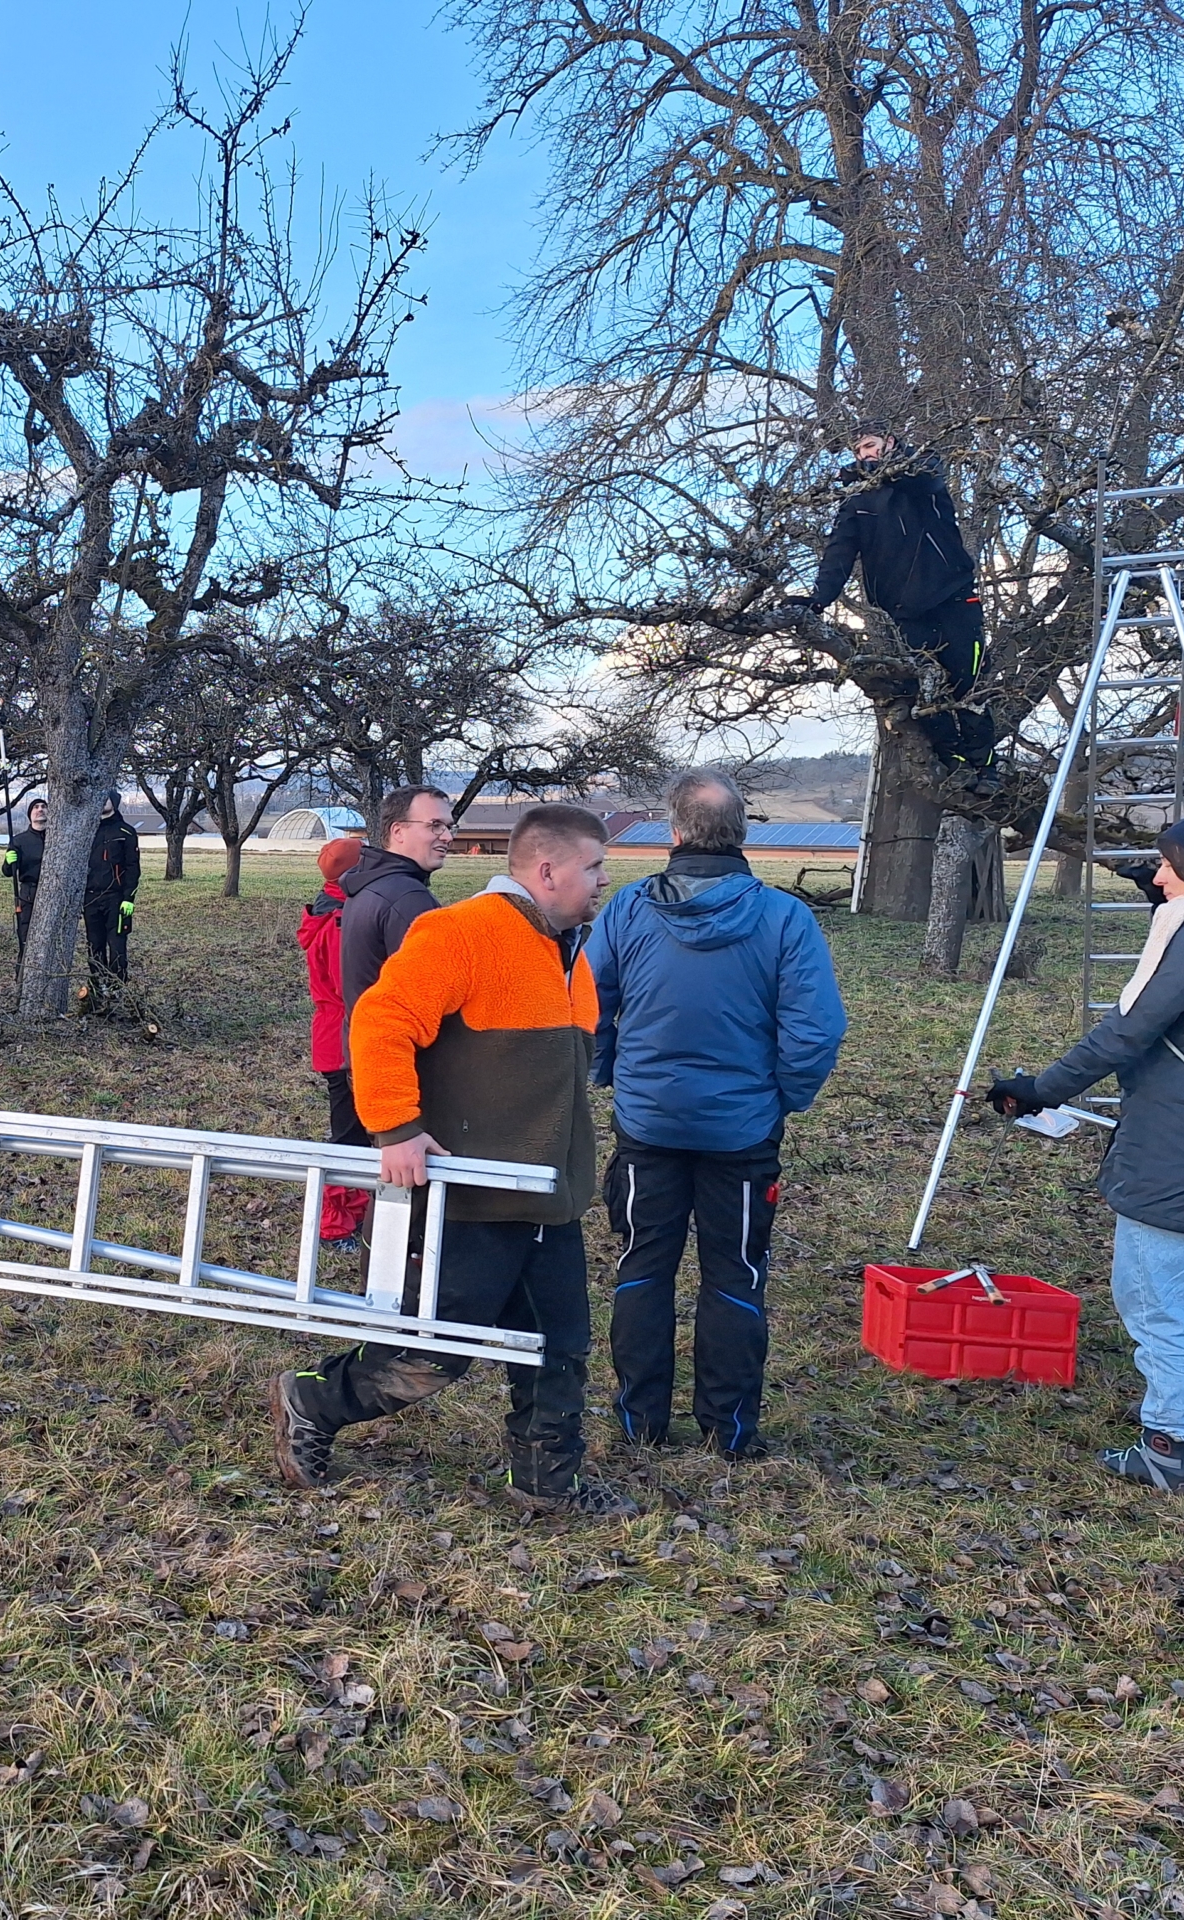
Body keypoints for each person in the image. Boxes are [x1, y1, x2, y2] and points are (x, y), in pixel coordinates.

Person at [269, 805, 637, 1516]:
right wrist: (397, 1128)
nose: (603, 881)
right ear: (548, 869)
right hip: (469, 1198)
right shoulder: (461, 932)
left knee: (560, 1347)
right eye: (594, 867)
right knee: (431, 1356)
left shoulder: (571, 952)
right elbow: (378, 1021)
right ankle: (312, 1400)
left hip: (546, 1199)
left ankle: (543, 1485)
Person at [989, 809, 1184, 1495]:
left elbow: (1126, 1034)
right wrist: (1169, 911)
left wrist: (1039, 1090)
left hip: (1175, 1150)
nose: (1158, 874)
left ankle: (1166, 1443)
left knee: (1159, 1306)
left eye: (1169, 864)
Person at [586, 768, 849, 1458]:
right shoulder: (785, 918)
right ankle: (727, 1431)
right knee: (735, 1273)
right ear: (742, 832)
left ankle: (639, 1422)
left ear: (674, 833)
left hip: (648, 1124)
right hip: (740, 1133)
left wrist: (610, 1071)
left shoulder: (626, 911)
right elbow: (815, 1030)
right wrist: (781, 1096)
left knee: (643, 1266)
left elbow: (588, 1006)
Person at [799, 424, 998, 793]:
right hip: (903, 612)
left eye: (870, 446)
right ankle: (952, 761)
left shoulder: (923, 470)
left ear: (890, 443)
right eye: (858, 451)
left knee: (969, 687)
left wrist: (882, 473)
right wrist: (817, 601)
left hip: (954, 599)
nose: (864, 455)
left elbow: (927, 480)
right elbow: (839, 554)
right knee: (922, 690)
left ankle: (985, 768)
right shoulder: (856, 501)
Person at [297, 834, 373, 1249]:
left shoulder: (333, 912)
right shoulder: (340, 923)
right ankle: (334, 1225)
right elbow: (352, 989)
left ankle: (353, 1213)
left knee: (356, 1131)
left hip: (337, 1037)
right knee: (348, 1137)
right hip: (344, 1042)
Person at [341, 786, 454, 1037]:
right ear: (398, 831)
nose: (447, 836)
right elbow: (432, 999)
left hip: (367, 1052)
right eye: (435, 825)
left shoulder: (367, 883)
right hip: (400, 1063)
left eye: (448, 826)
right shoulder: (408, 899)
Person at [79, 791, 140, 1007]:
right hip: (91, 898)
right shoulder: (87, 831)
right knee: (94, 945)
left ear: (114, 802)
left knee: (117, 946)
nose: (102, 801)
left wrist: (128, 898)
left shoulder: (126, 832)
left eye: (106, 797)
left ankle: (117, 989)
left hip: (117, 900)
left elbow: (133, 868)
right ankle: (97, 985)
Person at [3, 797, 47, 953]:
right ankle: (21, 975)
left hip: (52, 894)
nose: (40, 809)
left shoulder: (56, 839)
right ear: (30, 814)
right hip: (28, 894)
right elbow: (7, 872)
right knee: (25, 938)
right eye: (36, 807)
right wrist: (9, 861)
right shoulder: (19, 841)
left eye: (43, 806)